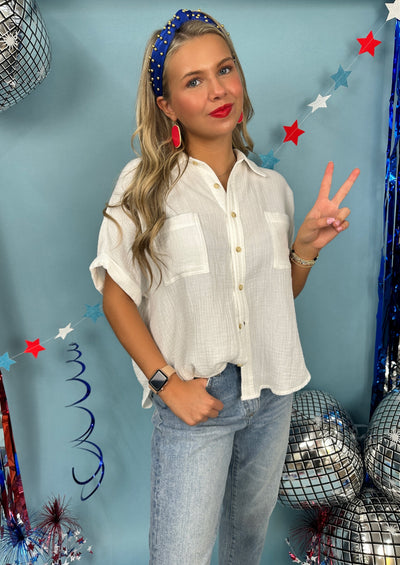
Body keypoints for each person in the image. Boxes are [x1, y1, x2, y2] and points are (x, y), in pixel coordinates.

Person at [90, 9, 359, 565]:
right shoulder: (142, 187)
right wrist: (166, 384)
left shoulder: (272, 188)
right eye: (194, 81)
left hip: (274, 392)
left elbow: (274, 298)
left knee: (246, 545)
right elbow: (116, 296)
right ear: (167, 106)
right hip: (199, 395)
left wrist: (306, 247)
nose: (218, 90)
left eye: (225, 69)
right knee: (180, 555)